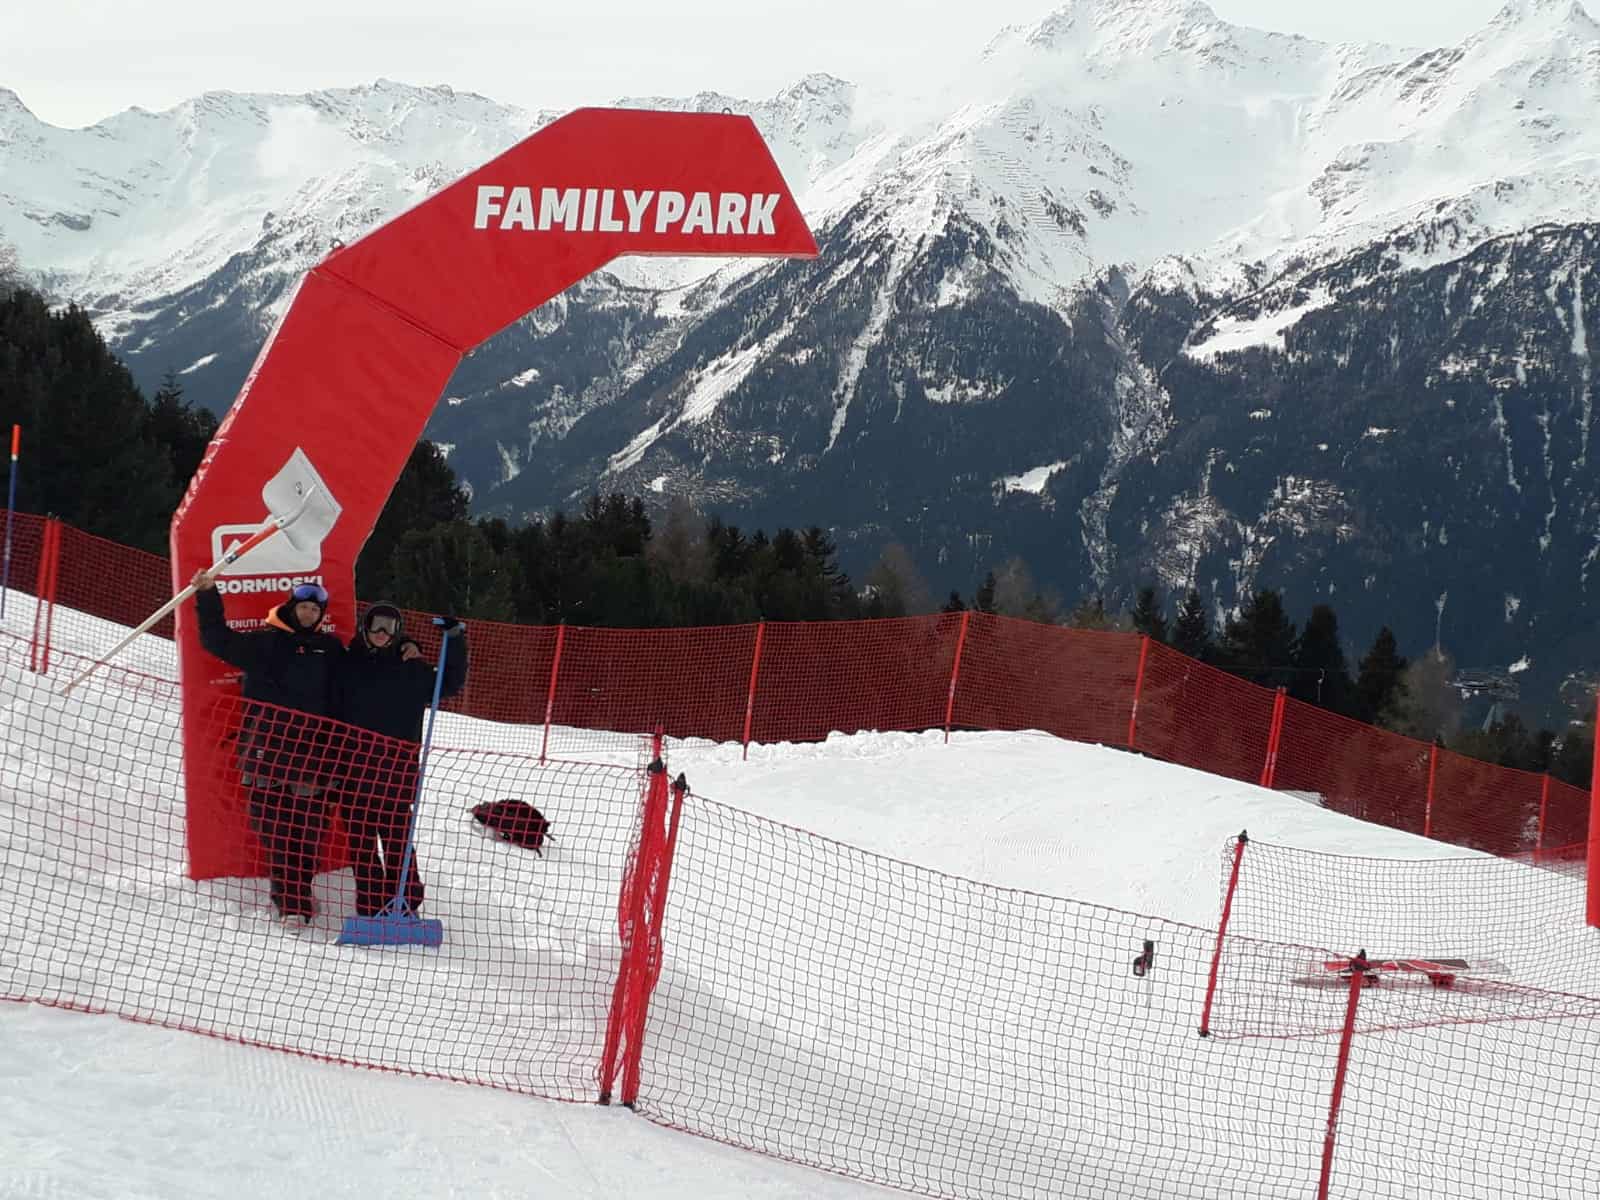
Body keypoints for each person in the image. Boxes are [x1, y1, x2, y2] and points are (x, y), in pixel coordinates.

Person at [192, 573, 342, 924]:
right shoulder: (265, 643)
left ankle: (300, 894)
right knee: (277, 833)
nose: (308, 614)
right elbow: (216, 639)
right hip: (266, 755)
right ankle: (291, 906)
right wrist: (208, 594)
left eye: (314, 610)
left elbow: (353, 687)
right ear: (292, 608)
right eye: (303, 607)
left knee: (309, 834)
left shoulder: (330, 649)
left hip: (313, 757)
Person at [333, 604, 467, 918]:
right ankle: (370, 905)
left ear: (398, 632)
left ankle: (405, 902)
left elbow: (450, 683)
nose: (382, 634)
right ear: (365, 628)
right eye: (377, 626)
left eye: (390, 627)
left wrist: (456, 639)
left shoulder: (411, 669)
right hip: (354, 772)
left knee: (397, 842)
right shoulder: (348, 665)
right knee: (362, 846)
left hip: (397, 773)